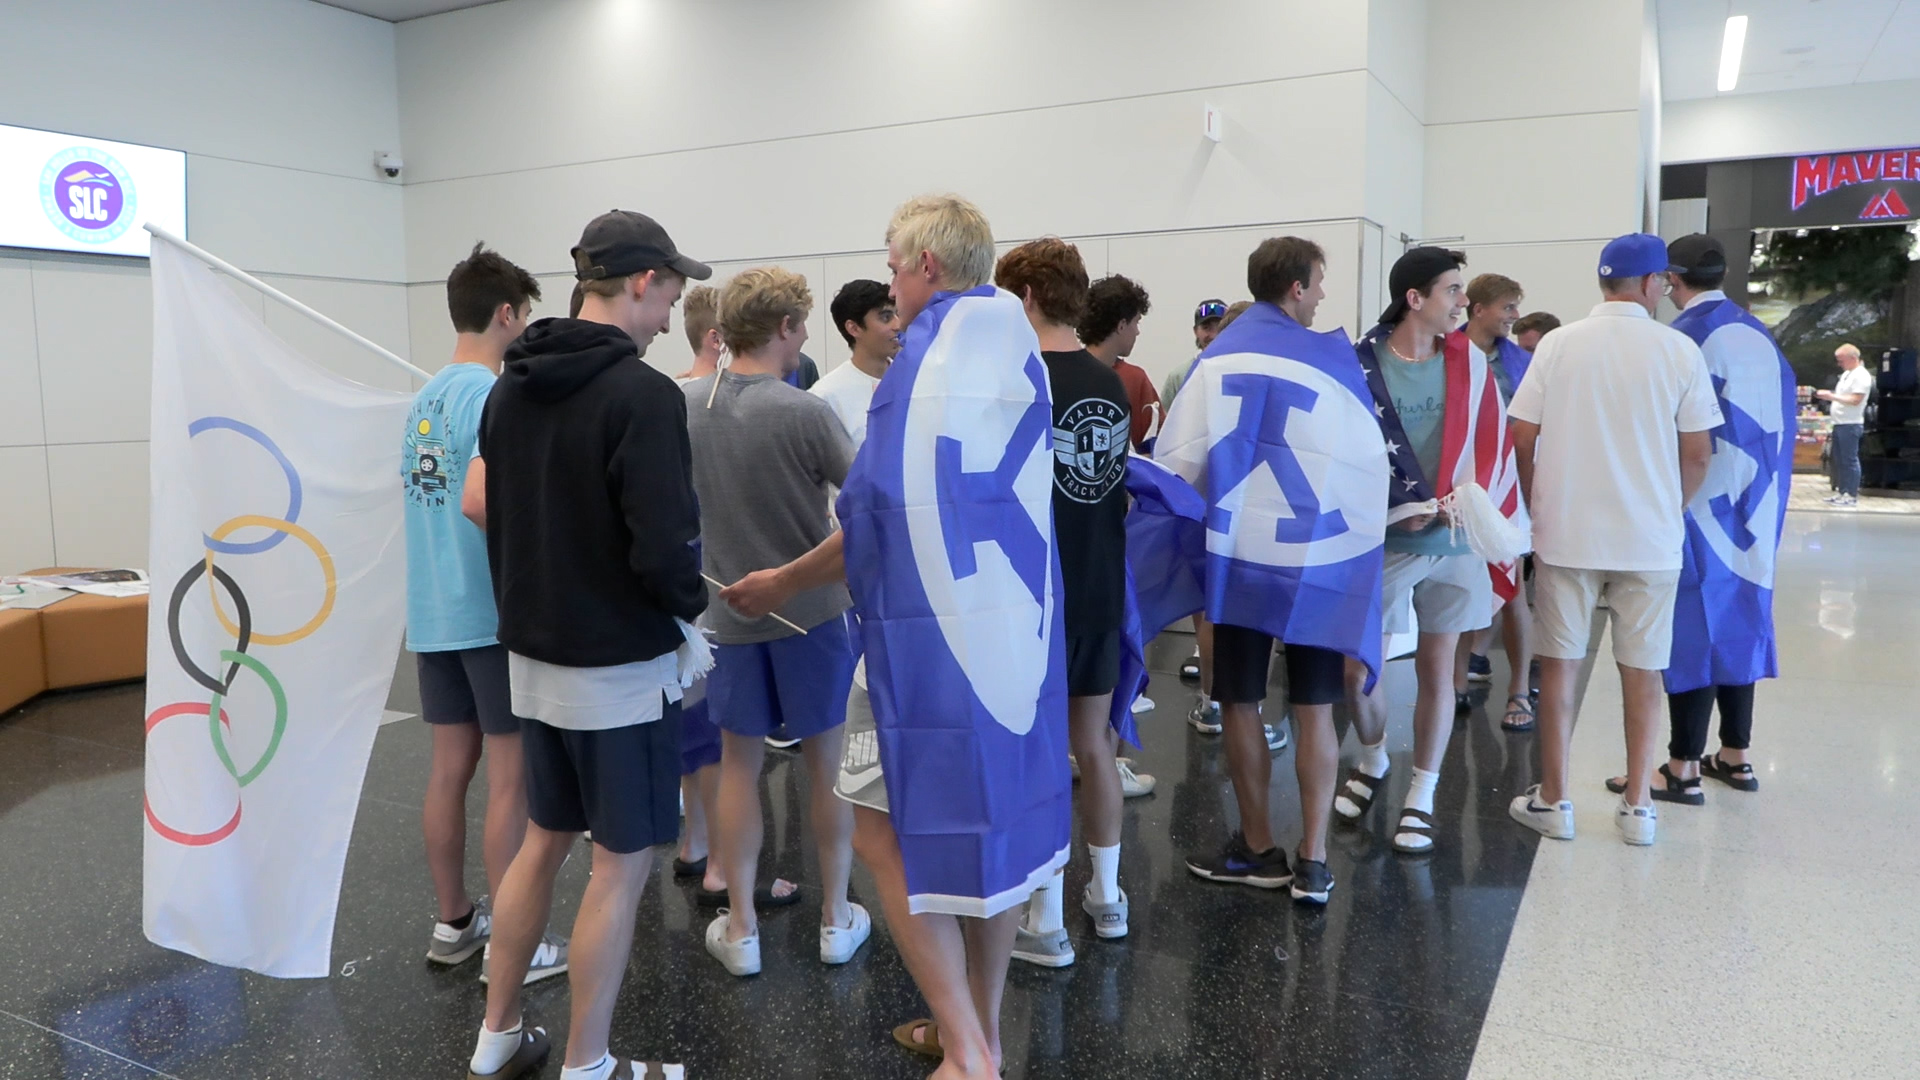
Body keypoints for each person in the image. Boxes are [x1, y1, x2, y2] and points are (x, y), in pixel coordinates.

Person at [721, 194, 1066, 1080]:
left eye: (893, 260)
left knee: (875, 829)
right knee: (988, 838)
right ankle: (976, 1034)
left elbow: (875, 514)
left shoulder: (918, 369)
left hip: (924, 647)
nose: (889, 275)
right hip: (1008, 638)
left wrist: (784, 582)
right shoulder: (1012, 348)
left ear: (929, 269)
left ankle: (969, 1048)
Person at [460, 210, 711, 1080]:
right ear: (642, 282)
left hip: (530, 654)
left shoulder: (508, 386)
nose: (677, 306)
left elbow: (490, 507)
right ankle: (590, 1064)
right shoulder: (643, 395)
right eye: (673, 290)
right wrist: (692, 611)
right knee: (620, 863)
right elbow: (665, 544)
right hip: (617, 666)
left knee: (544, 837)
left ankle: (496, 1034)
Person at [1163, 235, 1373, 906]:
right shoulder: (1336, 362)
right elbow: (1363, 465)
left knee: (1241, 702)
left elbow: (1179, 461)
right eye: (1318, 284)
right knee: (1314, 708)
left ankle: (1257, 848)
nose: (1322, 297)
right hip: (1316, 556)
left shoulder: (1216, 354)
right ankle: (1313, 860)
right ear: (1296, 288)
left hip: (1239, 560)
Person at [1506, 233, 1721, 849]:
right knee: (1644, 669)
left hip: (1566, 534)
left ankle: (1555, 800)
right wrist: (1666, 507)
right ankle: (1637, 808)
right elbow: (1699, 452)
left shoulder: (1557, 344)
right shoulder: (1678, 350)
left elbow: (1522, 436)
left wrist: (1533, 503)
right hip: (1649, 540)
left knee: (1560, 664)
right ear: (1653, 283)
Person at [683, 267, 867, 978]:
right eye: (801, 326)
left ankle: (742, 927)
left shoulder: (684, 405)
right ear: (788, 328)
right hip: (811, 617)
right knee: (826, 767)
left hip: (725, 616)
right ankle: (834, 919)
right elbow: (865, 503)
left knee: (739, 765)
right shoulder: (804, 412)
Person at [403, 244, 566, 984]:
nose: (525, 327)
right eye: (525, 315)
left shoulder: (422, 400)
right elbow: (487, 505)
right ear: (507, 313)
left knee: (449, 771)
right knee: (511, 782)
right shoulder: (495, 396)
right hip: (487, 614)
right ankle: (516, 946)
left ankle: (454, 921)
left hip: (433, 610)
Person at [994, 238, 1145, 967]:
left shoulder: (1015, 381)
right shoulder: (1108, 379)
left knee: (1041, 756)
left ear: (1024, 298)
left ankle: (1046, 918)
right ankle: (1108, 898)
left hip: (1030, 597)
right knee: (1094, 745)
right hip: (1098, 585)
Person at [1601, 233, 1794, 806]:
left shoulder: (1681, 340)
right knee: (1743, 609)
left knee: (1693, 622)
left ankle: (1681, 765)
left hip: (1698, 502)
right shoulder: (1762, 334)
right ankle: (1736, 755)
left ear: (1673, 281)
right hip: (1759, 502)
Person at [1336, 248, 1499, 856]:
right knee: (1356, 674)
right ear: (1415, 298)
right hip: (1382, 542)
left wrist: (1466, 500)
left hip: (1453, 539)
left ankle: (1422, 793)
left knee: (1439, 672)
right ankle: (1375, 758)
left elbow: (1488, 444)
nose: (1463, 302)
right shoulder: (1359, 362)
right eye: (1453, 291)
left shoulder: (1470, 364)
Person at [1451, 273, 1538, 734]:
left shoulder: (1520, 364)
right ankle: (1457, 681)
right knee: (1463, 588)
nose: (1513, 316)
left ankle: (1519, 688)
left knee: (1512, 595)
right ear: (1478, 308)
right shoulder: (1444, 352)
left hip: (1506, 491)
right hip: (1461, 491)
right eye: (1507, 307)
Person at [811, 279, 900, 447]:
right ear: (854, 328)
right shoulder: (826, 397)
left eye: (898, 314)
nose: (898, 324)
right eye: (886, 317)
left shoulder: (916, 379)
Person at [1081, 274, 1160, 452]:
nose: (1138, 332)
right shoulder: (1134, 379)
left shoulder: (1059, 374)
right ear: (1122, 325)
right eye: (1136, 322)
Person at [1818, 343, 1873, 506]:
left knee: (1849, 459)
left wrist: (1831, 397)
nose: (1839, 364)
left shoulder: (1861, 376)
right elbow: (1844, 396)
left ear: (1853, 358)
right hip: (1839, 422)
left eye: (1841, 360)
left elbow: (1856, 400)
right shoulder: (1846, 375)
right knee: (1839, 459)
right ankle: (1842, 491)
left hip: (1851, 423)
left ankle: (1851, 493)